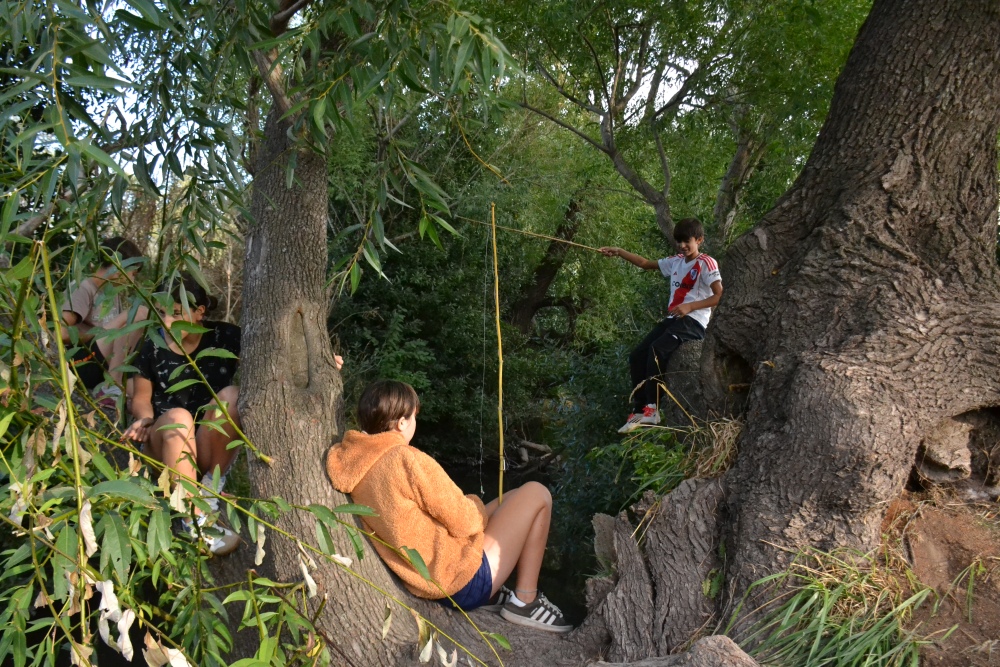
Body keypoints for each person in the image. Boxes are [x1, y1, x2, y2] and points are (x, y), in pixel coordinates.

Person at [326, 380, 572, 633]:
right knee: (537, 493)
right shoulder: (405, 459)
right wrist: (475, 505)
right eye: (413, 418)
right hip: (463, 582)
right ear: (401, 422)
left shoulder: (354, 464)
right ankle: (526, 601)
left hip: (429, 582)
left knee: (512, 498)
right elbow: (466, 521)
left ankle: (499, 595)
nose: (414, 424)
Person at [123, 274, 243, 556]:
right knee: (179, 417)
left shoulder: (225, 337)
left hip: (205, 446)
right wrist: (143, 420)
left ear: (200, 312)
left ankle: (209, 488)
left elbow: (275, 354)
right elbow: (140, 397)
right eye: (162, 313)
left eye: (176, 314)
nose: (167, 323)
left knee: (233, 397)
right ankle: (194, 518)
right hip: (165, 443)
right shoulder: (153, 344)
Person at [600, 218, 723, 434]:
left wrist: (691, 305)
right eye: (679, 242)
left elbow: (720, 295)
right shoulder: (676, 261)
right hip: (673, 320)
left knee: (657, 350)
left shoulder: (706, 262)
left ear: (700, 240)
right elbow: (645, 264)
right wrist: (619, 251)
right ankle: (639, 410)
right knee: (637, 355)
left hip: (693, 322)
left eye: (687, 242)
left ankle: (652, 409)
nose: (682, 246)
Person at [61, 236, 148, 406]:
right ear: (118, 268)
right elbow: (61, 332)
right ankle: (111, 386)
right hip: (80, 363)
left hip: (101, 360)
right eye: (132, 274)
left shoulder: (109, 292)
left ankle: (123, 386)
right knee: (137, 312)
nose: (132, 281)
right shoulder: (83, 288)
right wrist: (106, 330)